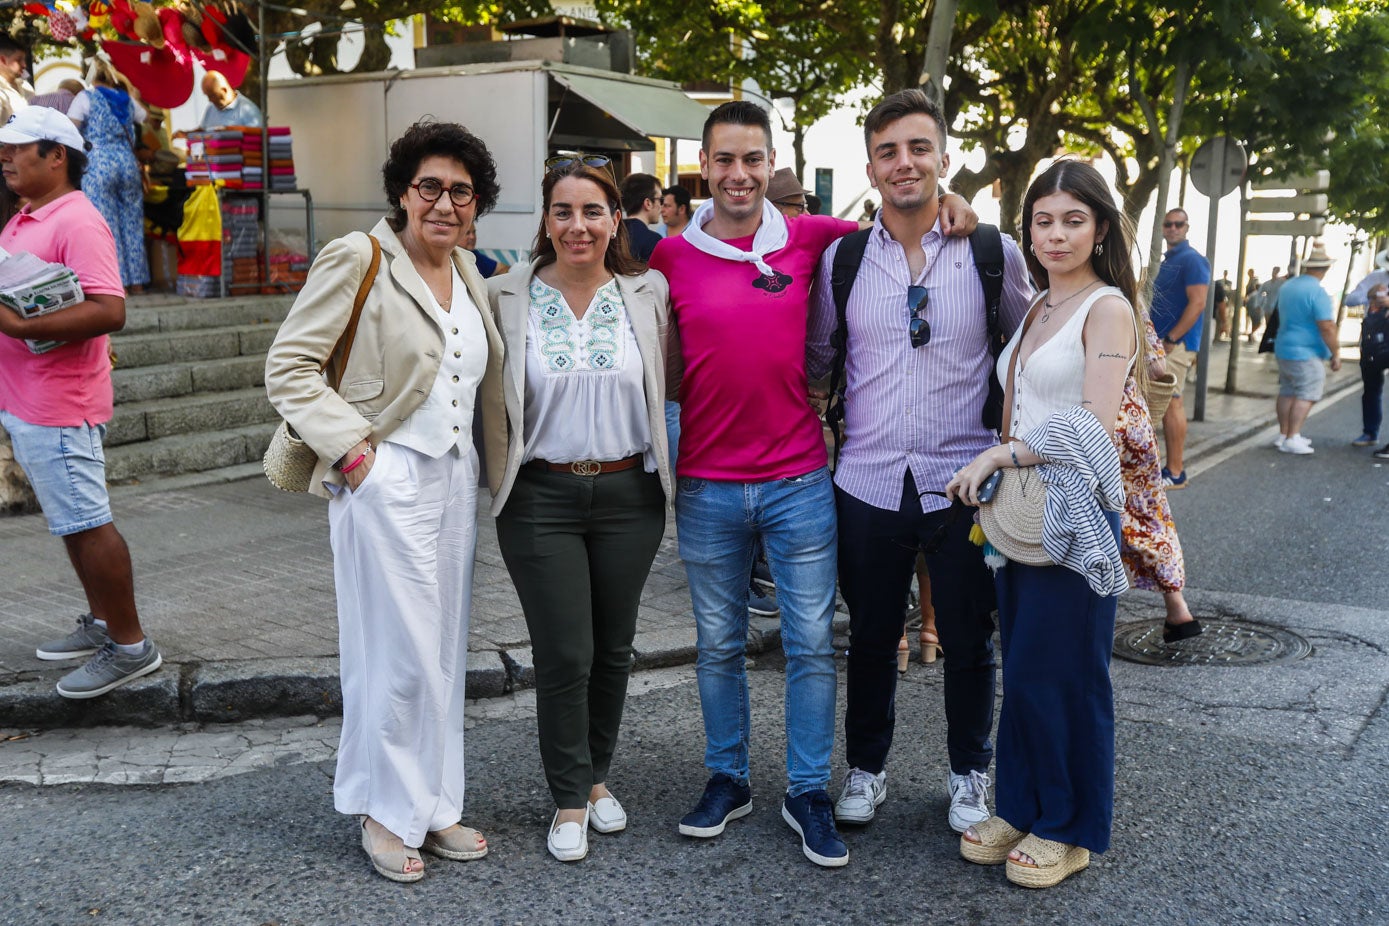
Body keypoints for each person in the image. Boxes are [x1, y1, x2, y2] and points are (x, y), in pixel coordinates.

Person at [649, 99, 977, 869]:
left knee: (808, 646)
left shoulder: (813, 238)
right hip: (704, 483)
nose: (738, 174)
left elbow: (903, 224)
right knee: (719, 645)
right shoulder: (669, 255)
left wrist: (953, 203)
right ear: (704, 167)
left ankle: (806, 791)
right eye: (724, 160)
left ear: (771, 165)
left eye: (753, 159)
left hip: (799, 479)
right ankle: (727, 779)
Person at [264, 121, 505, 883]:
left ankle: (432, 804)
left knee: (439, 650)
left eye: (459, 191)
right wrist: (356, 454)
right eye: (428, 187)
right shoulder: (360, 256)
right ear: (403, 192)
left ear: (475, 205)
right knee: (392, 655)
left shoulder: (466, 270)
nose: (443, 202)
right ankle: (380, 813)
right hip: (386, 473)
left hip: (452, 475)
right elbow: (291, 366)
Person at [805, 88, 1033, 836]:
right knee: (870, 637)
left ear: (942, 156)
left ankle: (969, 775)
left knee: (970, 642)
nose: (903, 163)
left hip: (966, 483)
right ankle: (865, 770)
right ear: (869, 168)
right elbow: (819, 359)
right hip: (867, 481)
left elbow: (1024, 352)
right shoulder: (840, 259)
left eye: (917, 147)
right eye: (887, 151)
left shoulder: (989, 252)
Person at [949, 158, 1139, 889]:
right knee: (1025, 671)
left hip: (1077, 514)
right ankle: (1022, 806)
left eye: (1072, 220)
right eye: (1042, 221)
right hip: (1020, 516)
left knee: (1068, 676)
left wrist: (1001, 452)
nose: (1055, 235)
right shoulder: (1036, 306)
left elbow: (1093, 426)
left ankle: (1068, 826)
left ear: (1098, 229)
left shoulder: (1107, 307)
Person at [487, 155, 672, 863]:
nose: (577, 225)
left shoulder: (647, 290)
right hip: (539, 498)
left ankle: (596, 779)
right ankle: (568, 797)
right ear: (545, 219)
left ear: (615, 219)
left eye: (592, 211)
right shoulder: (505, 293)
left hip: (630, 494)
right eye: (562, 211)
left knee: (613, 651)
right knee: (566, 651)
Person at [0, 106, 162, 698]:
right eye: (5, 149)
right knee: (73, 522)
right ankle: (102, 622)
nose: (7, 157)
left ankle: (129, 646)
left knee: (89, 523)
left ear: (57, 156)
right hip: (27, 398)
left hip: (60, 403)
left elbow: (109, 309)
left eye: (19, 149)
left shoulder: (79, 219)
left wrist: (16, 327)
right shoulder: (25, 216)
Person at [1120, 324, 1203, 643]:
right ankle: (1177, 607)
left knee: (1086, 511)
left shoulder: (1061, 298)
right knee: (1147, 514)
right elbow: (1158, 368)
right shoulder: (1130, 302)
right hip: (1133, 422)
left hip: (1084, 422)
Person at [68, 64, 149, 294]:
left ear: (89, 77)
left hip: (98, 164)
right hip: (127, 163)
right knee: (133, 222)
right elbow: (145, 117)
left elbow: (71, 129)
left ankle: (116, 282)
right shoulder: (125, 99)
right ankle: (137, 283)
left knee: (105, 224)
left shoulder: (85, 98)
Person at [1147, 207, 1209, 490]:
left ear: (1187, 227)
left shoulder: (1193, 260)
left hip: (1175, 345)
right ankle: (1168, 468)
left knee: (1173, 402)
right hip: (1163, 344)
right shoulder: (1172, 259)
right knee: (1168, 402)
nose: (1173, 229)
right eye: (1168, 224)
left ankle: (1175, 472)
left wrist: (1172, 338)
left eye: (1178, 224)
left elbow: (1198, 303)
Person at [1272, 242, 1341, 455]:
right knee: (1307, 393)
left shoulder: (1288, 286)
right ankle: (1293, 436)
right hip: (1306, 351)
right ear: (1326, 269)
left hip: (1284, 346)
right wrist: (1335, 353)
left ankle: (1284, 434)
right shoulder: (1318, 292)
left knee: (1287, 391)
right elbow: (1326, 326)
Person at [1358, 285, 1389, 450]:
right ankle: (1370, 432)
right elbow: (1353, 299)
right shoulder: (1375, 279)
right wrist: (1372, 297)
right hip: (1373, 349)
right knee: (1371, 392)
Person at [618, 171, 664, 262]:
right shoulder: (653, 240)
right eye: (660, 200)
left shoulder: (613, 233)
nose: (662, 206)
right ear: (648, 203)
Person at [197, 69, 262, 129]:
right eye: (207, 96)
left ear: (224, 90)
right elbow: (203, 131)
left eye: (212, 96)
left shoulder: (248, 110)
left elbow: (257, 137)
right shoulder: (211, 108)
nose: (209, 100)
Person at [0, 34, 30, 125]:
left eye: (24, 59)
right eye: (19, 60)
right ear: (2, 60)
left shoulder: (26, 86)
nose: (24, 65)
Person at [1250, 267, 1285, 343]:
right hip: (1268, 307)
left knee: (1277, 324)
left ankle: (1275, 339)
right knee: (1268, 324)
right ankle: (1270, 339)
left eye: (1276, 271)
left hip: (1278, 307)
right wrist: (1259, 304)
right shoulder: (1267, 283)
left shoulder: (1282, 282)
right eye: (1273, 271)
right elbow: (1260, 293)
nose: (1274, 273)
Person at [1243, 269, 1262, 340]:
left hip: (1252, 302)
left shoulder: (1255, 280)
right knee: (1252, 319)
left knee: (1254, 320)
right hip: (1250, 303)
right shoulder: (1249, 280)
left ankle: (1251, 333)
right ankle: (1250, 333)